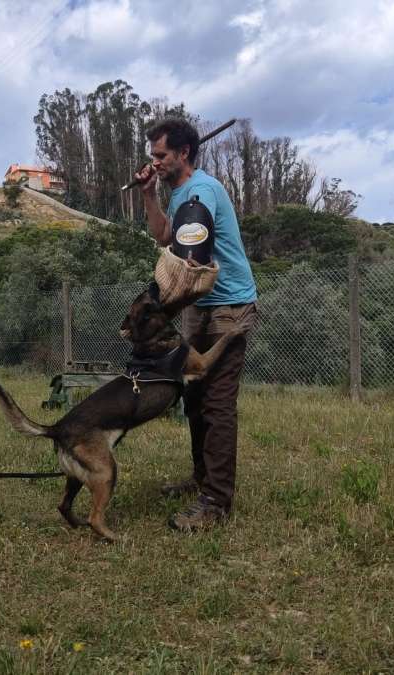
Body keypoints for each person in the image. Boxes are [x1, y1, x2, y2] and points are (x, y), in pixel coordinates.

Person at [136, 117, 259, 532]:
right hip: (199, 305)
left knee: (217, 404)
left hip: (228, 306)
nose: (154, 162)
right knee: (193, 397)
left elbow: (193, 258)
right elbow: (163, 236)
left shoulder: (201, 193)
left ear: (183, 153)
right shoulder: (179, 193)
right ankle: (201, 478)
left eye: (161, 156)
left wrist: (163, 299)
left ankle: (216, 503)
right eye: (152, 155)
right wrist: (150, 195)